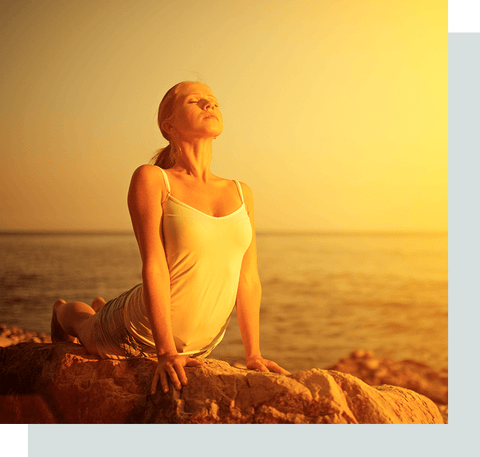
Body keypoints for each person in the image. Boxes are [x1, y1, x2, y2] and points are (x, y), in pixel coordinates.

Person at [51, 81, 290, 395]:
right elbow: (154, 265)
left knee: (105, 313)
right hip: (140, 333)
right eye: (195, 101)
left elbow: (248, 278)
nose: (209, 105)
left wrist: (253, 355)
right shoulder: (153, 179)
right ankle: (61, 310)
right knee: (86, 327)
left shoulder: (241, 192)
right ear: (169, 126)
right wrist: (164, 352)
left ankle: (105, 307)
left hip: (198, 347)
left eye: (213, 101)